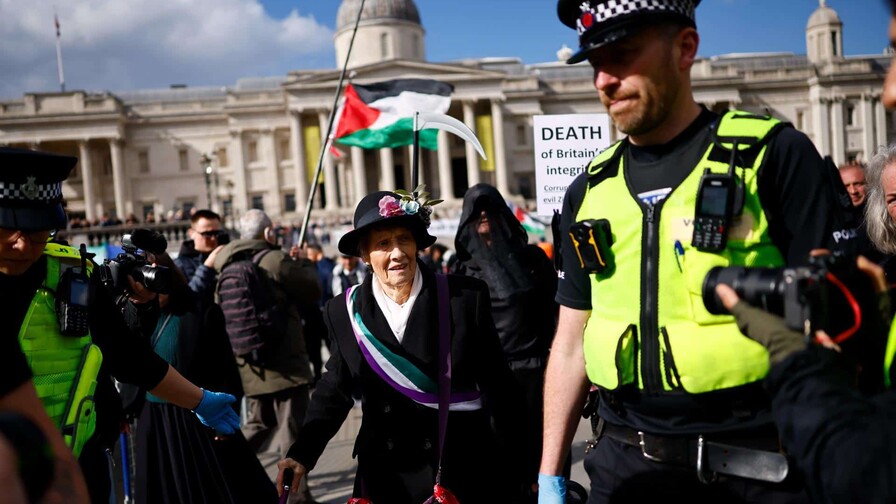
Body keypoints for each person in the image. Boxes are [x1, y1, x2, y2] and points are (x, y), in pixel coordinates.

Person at [540, 1, 839, 502]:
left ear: (685, 48)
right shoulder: (588, 190)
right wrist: (550, 473)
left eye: (623, 54)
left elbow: (832, 328)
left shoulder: (775, 157)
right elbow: (571, 340)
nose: (603, 81)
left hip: (755, 469)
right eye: (595, 63)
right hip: (622, 470)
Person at [0, 147, 241, 502]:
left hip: (78, 463)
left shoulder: (72, 273)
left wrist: (200, 400)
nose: (22, 245)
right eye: (9, 229)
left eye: (37, 233)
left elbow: (125, 355)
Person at [276, 190, 533, 504]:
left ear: (418, 246)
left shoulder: (464, 298)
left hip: (457, 470)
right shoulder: (343, 311)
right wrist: (302, 453)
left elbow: (501, 386)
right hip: (384, 474)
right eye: (383, 244)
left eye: (404, 240)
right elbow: (335, 388)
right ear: (365, 254)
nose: (397, 253)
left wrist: (529, 466)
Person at [126, 251, 276, 504]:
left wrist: (223, 418)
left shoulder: (200, 311)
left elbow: (225, 371)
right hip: (155, 422)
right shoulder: (131, 317)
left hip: (198, 417)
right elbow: (127, 366)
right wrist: (122, 410)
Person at [452, 183, 559, 492]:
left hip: (537, 376)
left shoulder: (533, 260)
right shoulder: (462, 270)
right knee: (501, 474)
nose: (484, 215)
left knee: (543, 469)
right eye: (477, 210)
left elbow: (556, 310)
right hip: (490, 383)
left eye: (490, 208)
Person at [213, 208, 321, 503]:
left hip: (249, 361)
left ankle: (217, 464)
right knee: (291, 431)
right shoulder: (275, 260)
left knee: (258, 423)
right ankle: (296, 498)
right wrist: (299, 263)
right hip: (285, 362)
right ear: (268, 233)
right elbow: (313, 289)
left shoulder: (225, 262)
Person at [175, 209, 226, 300]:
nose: (214, 239)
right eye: (207, 234)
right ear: (192, 233)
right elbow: (184, 301)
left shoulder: (225, 255)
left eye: (217, 233)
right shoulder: (179, 265)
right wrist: (207, 268)